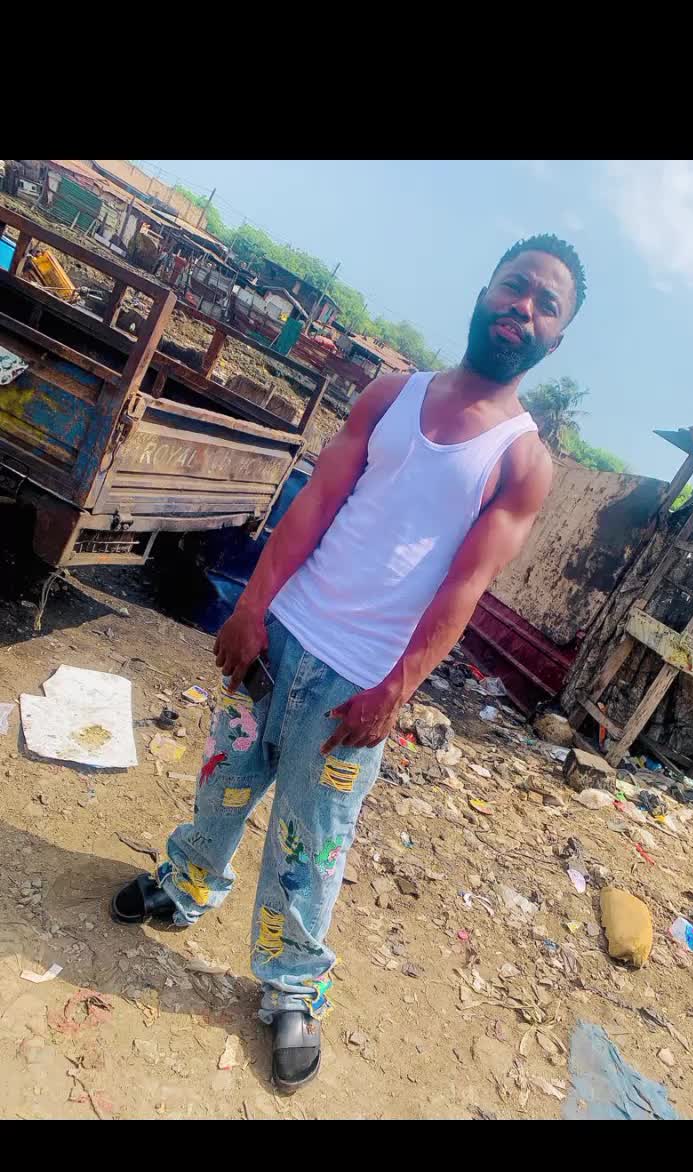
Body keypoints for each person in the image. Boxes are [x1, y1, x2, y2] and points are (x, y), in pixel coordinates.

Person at [112, 233, 587, 1092]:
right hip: (282, 639)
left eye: (545, 305)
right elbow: (320, 497)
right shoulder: (392, 395)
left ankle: (292, 990)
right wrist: (252, 606)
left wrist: (395, 690)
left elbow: (464, 590)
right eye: (514, 286)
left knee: (311, 845)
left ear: (556, 338)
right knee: (222, 784)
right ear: (485, 289)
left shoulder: (521, 461)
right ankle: (181, 887)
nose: (523, 307)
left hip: (356, 684)